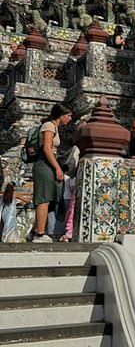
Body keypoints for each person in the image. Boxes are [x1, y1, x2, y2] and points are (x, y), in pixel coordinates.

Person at [31, 103, 73, 242]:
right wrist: (57, 168)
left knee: (48, 198)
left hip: (49, 165)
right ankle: (39, 234)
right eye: (68, 115)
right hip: (44, 165)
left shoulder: (54, 127)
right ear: (61, 115)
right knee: (43, 199)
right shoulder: (49, 126)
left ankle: (37, 230)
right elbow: (47, 149)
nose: (70, 119)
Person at [59, 146, 79, 242]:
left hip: (73, 188)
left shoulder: (76, 148)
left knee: (71, 211)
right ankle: (68, 233)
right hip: (75, 187)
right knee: (72, 211)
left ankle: (68, 232)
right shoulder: (77, 148)